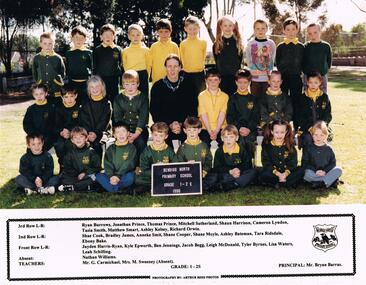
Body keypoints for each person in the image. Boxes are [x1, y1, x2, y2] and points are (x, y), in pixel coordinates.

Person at [150, 54, 195, 147]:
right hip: (165, 125)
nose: (172, 69)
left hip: (184, 125)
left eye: (175, 66)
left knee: (191, 137)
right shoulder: (157, 86)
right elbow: (155, 110)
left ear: (180, 68)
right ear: (165, 67)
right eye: (169, 66)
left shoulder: (189, 85)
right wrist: (170, 124)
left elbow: (193, 107)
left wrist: (181, 123)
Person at [275, 18, 304, 130]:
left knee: (296, 102)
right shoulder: (281, 47)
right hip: (283, 79)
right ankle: (282, 127)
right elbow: (277, 62)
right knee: (283, 102)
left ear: (297, 30)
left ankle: (296, 127)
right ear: (284, 31)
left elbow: (303, 62)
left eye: (293, 29)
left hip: (296, 78)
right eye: (288, 29)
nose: (291, 32)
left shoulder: (301, 47)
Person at [113, 70, 149, 157]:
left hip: (139, 129)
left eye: (133, 84)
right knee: (121, 144)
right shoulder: (118, 98)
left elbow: (143, 117)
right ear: (123, 85)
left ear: (138, 84)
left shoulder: (143, 98)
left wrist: (135, 134)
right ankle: (124, 165)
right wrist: (126, 133)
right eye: (127, 84)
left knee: (140, 142)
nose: (130, 87)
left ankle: (141, 166)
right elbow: (118, 117)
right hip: (124, 130)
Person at [258, 120, 304, 188]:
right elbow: (266, 162)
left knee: (301, 170)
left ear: (286, 132)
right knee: (262, 174)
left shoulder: (290, 145)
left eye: (282, 132)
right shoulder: (267, 146)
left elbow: (293, 163)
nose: (279, 135)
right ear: (272, 132)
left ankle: (280, 182)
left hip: (287, 173)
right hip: (273, 173)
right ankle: (284, 182)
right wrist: (278, 174)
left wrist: (285, 174)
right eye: (276, 132)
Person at [176, 117, 216, 192]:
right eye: (189, 130)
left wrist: (203, 172)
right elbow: (178, 162)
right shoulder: (182, 148)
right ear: (185, 131)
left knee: (214, 177)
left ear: (199, 130)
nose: (192, 133)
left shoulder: (204, 145)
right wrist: (186, 165)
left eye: (194, 130)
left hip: (202, 174)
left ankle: (198, 186)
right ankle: (197, 186)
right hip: (187, 175)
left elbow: (208, 160)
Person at [213, 125, 257, 191]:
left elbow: (248, 164)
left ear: (236, 138)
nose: (228, 140)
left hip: (239, 173)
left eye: (231, 137)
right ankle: (237, 183)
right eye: (226, 137)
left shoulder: (242, 150)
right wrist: (230, 171)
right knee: (218, 175)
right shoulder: (219, 151)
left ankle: (234, 184)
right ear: (222, 138)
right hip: (227, 173)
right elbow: (217, 167)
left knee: (253, 172)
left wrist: (239, 170)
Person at [96, 123, 137, 193]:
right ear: (114, 135)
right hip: (112, 176)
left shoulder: (131, 148)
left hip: (124, 174)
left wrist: (118, 176)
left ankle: (112, 188)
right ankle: (119, 189)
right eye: (118, 132)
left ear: (128, 133)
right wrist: (111, 176)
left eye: (123, 131)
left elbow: (129, 164)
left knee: (131, 177)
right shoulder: (111, 148)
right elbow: (107, 163)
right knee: (99, 176)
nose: (121, 134)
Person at [227, 69, 259, 157]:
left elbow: (256, 117)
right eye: (240, 82)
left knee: (249, 141)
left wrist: (249, 128)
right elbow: (230, 117)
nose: (242, 85)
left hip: (250, 130)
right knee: (239, 141)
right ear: (236, 82)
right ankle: (238, 165)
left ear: (249, 82)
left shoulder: (253, 99)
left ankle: (249, 166)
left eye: (245, 82)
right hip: (237, 129)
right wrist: (239, 128)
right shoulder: (232, 98)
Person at [135, 122, 176, 191]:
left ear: (166, 136)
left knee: (175, 178)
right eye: (155, 135)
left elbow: (175, 164)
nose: (158, 138)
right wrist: (155, 171)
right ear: (152, 135)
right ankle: (157, 185)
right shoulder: (146, 151)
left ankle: (154, 186)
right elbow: (144, 168)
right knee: (138, 179)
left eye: (161, 136)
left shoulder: (169, 150)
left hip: (165, 175)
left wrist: (164, 170)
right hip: (151, 176)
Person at [59, 126, 101, 192]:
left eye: (81, 137)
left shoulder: (91, 152)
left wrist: (85, 173)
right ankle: (85, 187)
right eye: (75, 137)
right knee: (64, 178)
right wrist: (76, 174)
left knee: (96, 177)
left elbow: (97, 167)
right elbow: (67, 167)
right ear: (72, 140)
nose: (78, 139)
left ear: (86, 138)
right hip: (75, 176)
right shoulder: (70, 153)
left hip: (87, 175)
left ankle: (73, 187)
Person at [302, 121, 342, 189]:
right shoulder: (308, 148)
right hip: (314, 172)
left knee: (338, 170)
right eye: (316, 135)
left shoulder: (328, 149)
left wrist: (325, 171)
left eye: (321, 135)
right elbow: (305, 163)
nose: (318, 137)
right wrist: (315, 171)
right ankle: (329, 181)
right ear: (312, 135)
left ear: (326, 136)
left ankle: (320, 183)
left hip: (325, 172)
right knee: (307, 173)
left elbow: (333, 163)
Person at [80, 76, 112, 158]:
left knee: (97, 144)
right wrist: (89, 132)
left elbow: (104, 121)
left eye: (97, 86)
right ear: (88, 89)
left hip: (102, 131)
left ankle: (97, 168)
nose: (95, 89)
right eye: (92, 87)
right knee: (83, 143)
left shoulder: (107, 103)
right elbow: (84, 120)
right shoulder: (85, 103)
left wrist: (96, 133)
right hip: (88, 132)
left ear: (102, 88)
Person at [245, 19, 276, 104]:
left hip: (267, 79)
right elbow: (248, 59)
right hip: (255, 79)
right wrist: (252, 70)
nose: (260, 31)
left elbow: (272, 58)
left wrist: (270, 71)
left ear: (266, 29)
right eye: (257, 28)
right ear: (254, 30)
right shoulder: (250, 44)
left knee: (267, 101)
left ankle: (266, 117)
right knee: (255, 101)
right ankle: (256, 117)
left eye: (263, 28)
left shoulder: (271, 43)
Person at [298, 72, 332, 148]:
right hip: (306, 128)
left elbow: (328, 115)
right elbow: (300, 116)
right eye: (310, 82)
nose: (313, 85)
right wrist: (310, 128)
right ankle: (307, 159)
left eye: (316, 82)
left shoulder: (324, 97)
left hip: (321, 128)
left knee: (325, 138)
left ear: (320, 83)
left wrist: (321, 126)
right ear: (307, 83)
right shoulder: (302, 98)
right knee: (308, 139)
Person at [212, 15, 243, 96]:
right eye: (225, 25)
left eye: (230, 25)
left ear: (234, 26)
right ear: (221, 26)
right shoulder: (217, 44)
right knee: (223, 100)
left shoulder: (238, 43)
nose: (228, 28)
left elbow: (239, 60)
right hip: (222, 79)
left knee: (234, 100)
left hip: (235, 78)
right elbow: (216, 60)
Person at [198, 68, 229, 147]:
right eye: (210, 80)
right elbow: (203, 114)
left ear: (220, 80)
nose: (213, 82)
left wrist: (216, 131)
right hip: (205, 128)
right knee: (204, 150)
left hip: (221, 128)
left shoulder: (225, 96)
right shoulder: (201, 96)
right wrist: (210, 131)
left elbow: (222, 114)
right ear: (206, 81)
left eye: (215, 80)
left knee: (224, 149)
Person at [32, 32, 65, 104]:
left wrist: (56, 81)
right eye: (45, 43)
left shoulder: (58, 58)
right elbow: (34, 73)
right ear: (40, 44)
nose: (47, 46)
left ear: (54, 44)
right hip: (42, 89)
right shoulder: (36, 58)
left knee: (57, 108)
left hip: (55, 89)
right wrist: (39, 81)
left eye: (50, 43)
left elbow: (62, 73)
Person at [54, 85, 82, 171]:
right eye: (66, 97)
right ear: (62, 97)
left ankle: (76, 166)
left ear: (76, 96)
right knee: (59, 145)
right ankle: (62, 166)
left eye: (71, 96)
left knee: (72, 144)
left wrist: (72, 132)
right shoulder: (58, 108)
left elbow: (81, 122)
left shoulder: (80, 107)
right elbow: (56, 124)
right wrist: (61, 132)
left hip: (76, 133)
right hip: (63, 134)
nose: (69, 99)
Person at [93, 24, 123, 102]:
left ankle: (115, 114)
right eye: (105, 35)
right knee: (103, 98)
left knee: (115, 98)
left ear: (114, 36)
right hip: (101, 79)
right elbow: (94, 65)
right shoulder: (97, 50)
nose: (108, 37)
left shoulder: (118, 49)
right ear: (101, 37)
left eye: (110, 35)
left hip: (114, 78)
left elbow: (121, 64)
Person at [180, 16, 207, 99]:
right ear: (185, 29)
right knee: (188, 97)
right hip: (187, 74)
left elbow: (203, 56)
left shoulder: (203, 42)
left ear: (198, 28)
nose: (192, 31)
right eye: (190, 29)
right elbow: (182, 58)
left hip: (200, 74)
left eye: (195, 28)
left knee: (201, 97)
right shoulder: (183, 44)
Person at [23, 83, 55, 151]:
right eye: (36, 94)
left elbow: (55, 123)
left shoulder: (52, 107)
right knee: (31, 151)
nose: (39, 96)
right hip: (35, 137)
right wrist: (34, 135)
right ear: (33, 95)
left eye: (41, 94)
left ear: (46, 93)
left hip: (49, 137)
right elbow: (26, 124)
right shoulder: (31, 109)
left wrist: (47, 136)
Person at [65, 25, 93, 104]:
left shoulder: (88, 52)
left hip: (85, 83)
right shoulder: (69, 53)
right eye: (76, 37)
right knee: (74, 103)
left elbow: (92, 67)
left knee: (86, 103)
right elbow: (67, 67)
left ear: (85, 39)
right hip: (72, 83)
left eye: (81, 38)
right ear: (72, 38)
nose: (78, 40)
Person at [122, 24, 150, 97]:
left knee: (144, 95)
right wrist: (128, 76)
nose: (135, 37)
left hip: (143, 74)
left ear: (142, 36)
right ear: (129, 36)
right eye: (133, 35)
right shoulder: (125, 51)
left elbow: (148, 64)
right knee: (131, 94)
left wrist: (147, 75)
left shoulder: (146, 50)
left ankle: (144, 108)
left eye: (138, 35)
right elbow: (125, 65)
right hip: (131, 74)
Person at [149, 19, 180, 84]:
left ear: (170, 32)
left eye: (166, 31)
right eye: (161, 31)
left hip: (171, 79)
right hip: (157, 79)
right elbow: (149, 64)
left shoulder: (174, 46)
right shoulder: (153, 47)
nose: (164, 34)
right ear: (157, 32)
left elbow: (178, 64)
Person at [303, 23, 332, 93]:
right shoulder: (305, 46)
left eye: (315, 32)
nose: (313, 35)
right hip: (308, 76)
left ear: (320, 32)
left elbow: (329, 61)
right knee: (307, 94)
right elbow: (302, 61)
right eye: (310, 33)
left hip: (322, 75)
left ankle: (322, 104)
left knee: (323, 94)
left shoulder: (326, 46)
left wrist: (324, 71)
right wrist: (305, 72)